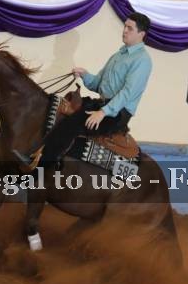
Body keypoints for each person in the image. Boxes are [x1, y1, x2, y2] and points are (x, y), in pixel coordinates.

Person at [13, 12, 153, 168]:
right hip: (103, 104)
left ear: (141, 34)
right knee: (61, 111)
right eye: (125, 26)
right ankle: (37, 154)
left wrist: (103, 112)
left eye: (130, 28)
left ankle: (43, 164)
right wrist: (85, 75)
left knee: (72, 123)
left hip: (118, 113)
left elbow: (128, 93)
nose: (125, 30)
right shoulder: (118, 55)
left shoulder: (142, 60)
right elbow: (98, 84)